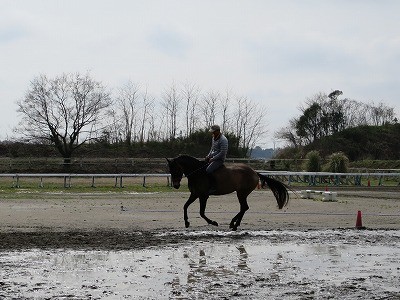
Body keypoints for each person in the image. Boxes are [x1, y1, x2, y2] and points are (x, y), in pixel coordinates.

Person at [205, 125, 228, 194]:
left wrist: (212, 159)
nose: (212, 133)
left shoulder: (223, 140)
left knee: (208, 170)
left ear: (218, 131)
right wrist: (208, 156)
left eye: (214, 132)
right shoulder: (214, 138)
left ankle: (213, 187)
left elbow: (222, 153)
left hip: (220, 159)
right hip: (214, 157)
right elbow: (212, 149)